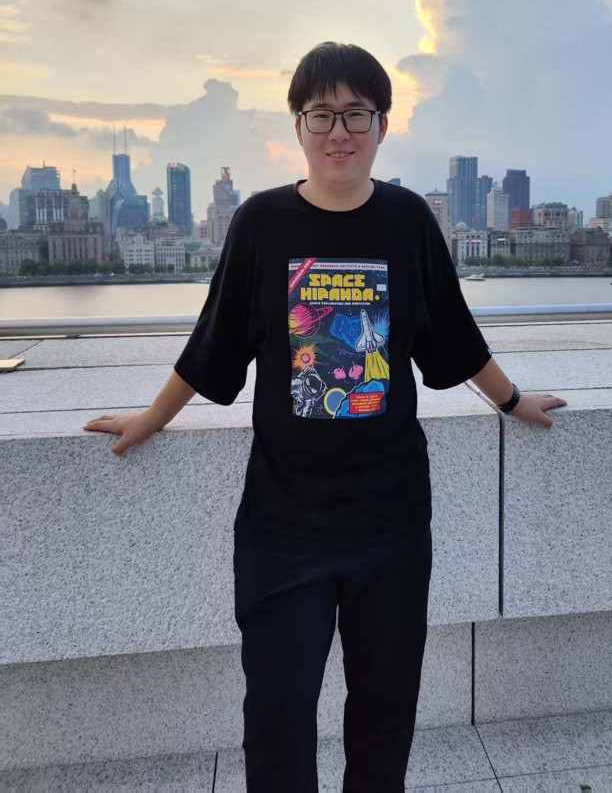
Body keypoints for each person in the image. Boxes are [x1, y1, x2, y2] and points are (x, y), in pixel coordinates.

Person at [85, 42, 567, 791]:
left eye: (355, 114)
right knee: (277, 719)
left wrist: (512, 399)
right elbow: (214, 341)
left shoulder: (408, 219)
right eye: (321, 114)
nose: (339, 131)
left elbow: (453, 334)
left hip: (391, 521)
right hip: (284, 525)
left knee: (384, 713)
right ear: (298, 125)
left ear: (382, 124)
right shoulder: (261, 222)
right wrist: (151, 416)